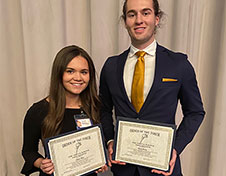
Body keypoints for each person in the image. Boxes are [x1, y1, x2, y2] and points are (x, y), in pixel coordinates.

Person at [99, 0, 205, 175]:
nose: (139, 20)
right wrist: (110, 140)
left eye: (145, 13)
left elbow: (195, 112)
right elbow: (103, 109)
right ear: (125, 21)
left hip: (162, 168)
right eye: (132, 14)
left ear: (156, 18)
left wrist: (175, 148)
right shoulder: (111, 66)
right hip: (123, 168)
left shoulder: (179, 64)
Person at [21, 45, 108, 176]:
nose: (78, 78)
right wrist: (41, 164)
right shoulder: (38, 111)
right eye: (70, 71)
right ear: (59, 73)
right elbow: (28, 151)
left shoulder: (96, 107)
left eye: (84, 72)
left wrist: (99, 162)